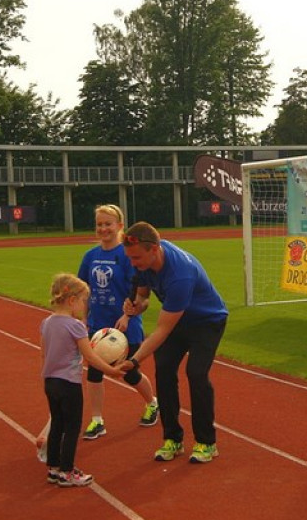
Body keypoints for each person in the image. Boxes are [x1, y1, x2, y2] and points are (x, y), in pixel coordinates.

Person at [120, 222, 228, 464]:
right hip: (178, 320)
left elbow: (161, 330)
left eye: (136, 257)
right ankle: (172, 439)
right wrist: (136, 306)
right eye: (130, 258)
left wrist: (134, 360)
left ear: (155, 249)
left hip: (206, 321)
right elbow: (143, 296)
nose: (132, 263)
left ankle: (206, 442)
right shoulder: (143, 263)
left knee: (196, 373)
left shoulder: (180, 273)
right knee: (164, 370)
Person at [77, 204, 159, 440]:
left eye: (108, 224)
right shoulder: (90, 256)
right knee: (93, 373)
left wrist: (127, 315)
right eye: (99, 224)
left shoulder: (126, 255)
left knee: (129, 373)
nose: (103, 229)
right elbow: (84, 289)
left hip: (125, 327)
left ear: (120, 226)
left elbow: (137, 288)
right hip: (97, 326)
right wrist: (83, 319)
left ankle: (152, 403)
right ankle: (97, 420)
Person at [40, 273, 128, 488]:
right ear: (72, 301)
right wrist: (112, 371)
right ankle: (68, 471)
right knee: (72, 428)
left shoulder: (46, 323)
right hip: (69, 384)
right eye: (83, 302)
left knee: (58, 425)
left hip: (50, 381)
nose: (84, 307)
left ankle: (53, 468)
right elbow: (90, 357)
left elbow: (44, 353)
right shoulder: (76, 326)